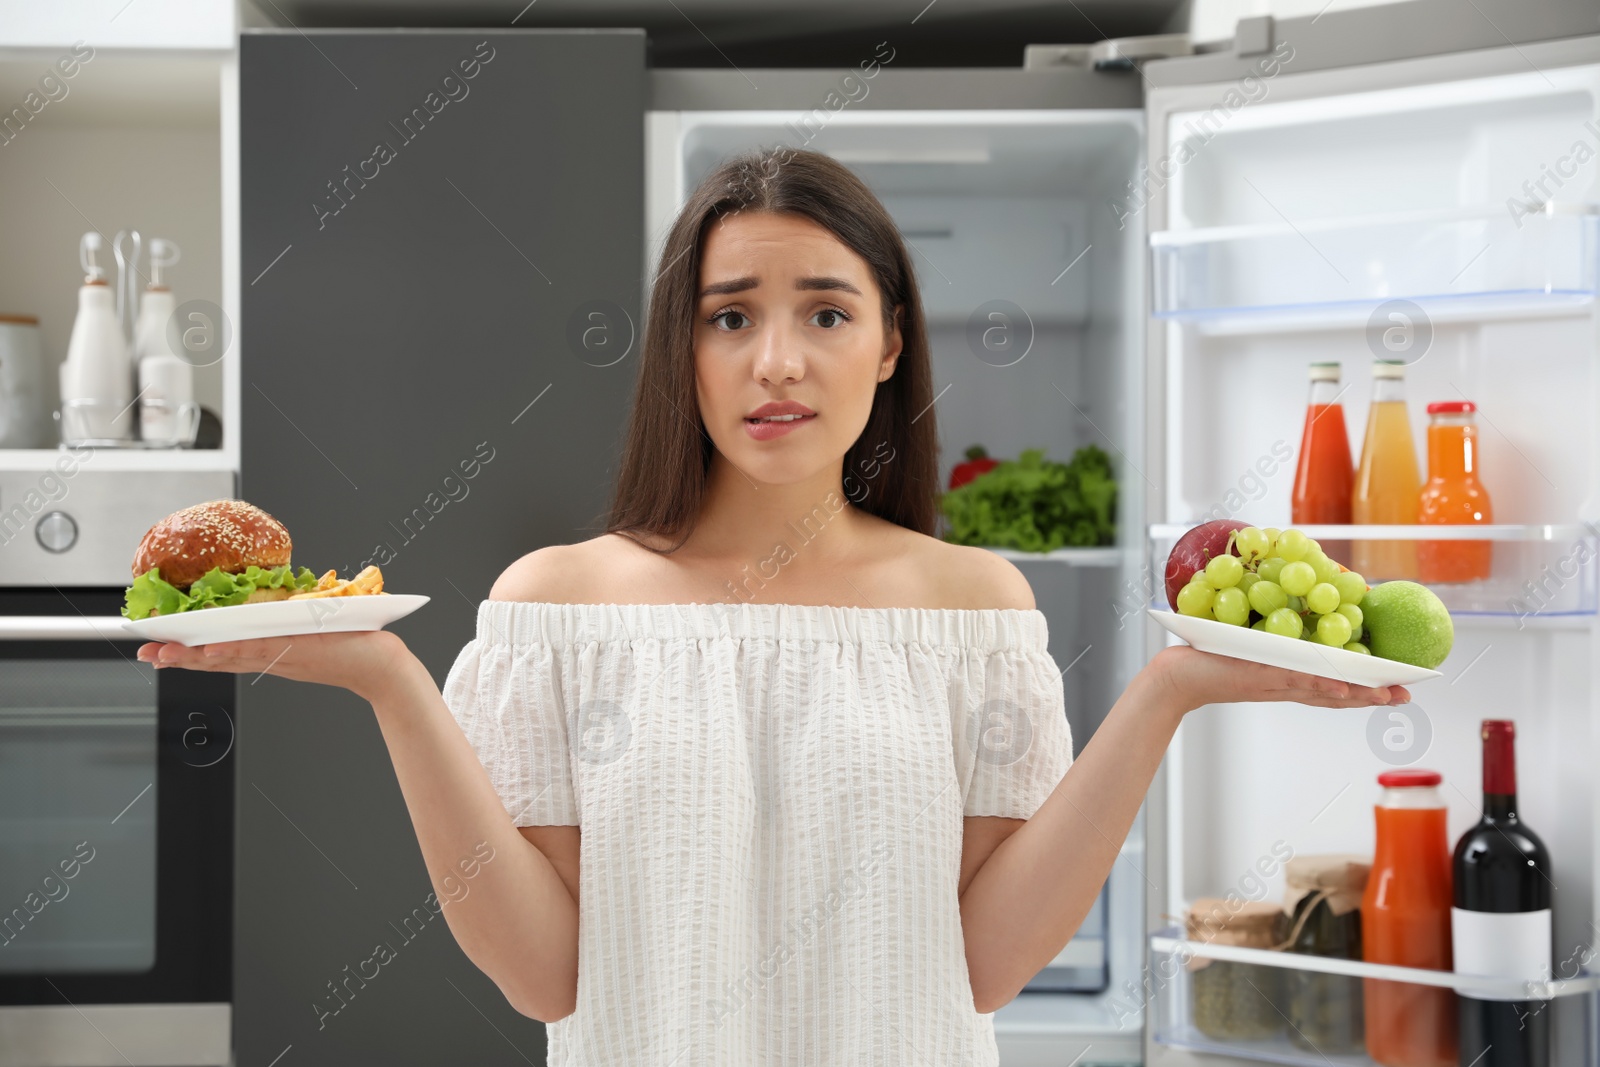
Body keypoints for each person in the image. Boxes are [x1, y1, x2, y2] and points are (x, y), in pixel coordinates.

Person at [136, 146, 1408, 1066]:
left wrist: (1169, 689)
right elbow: (544, 977)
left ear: (892, 342)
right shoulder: (557, 603)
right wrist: (390, 682)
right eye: (728, 316)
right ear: (677, 351)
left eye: (825, 312)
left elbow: (985, 969)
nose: (777, 361)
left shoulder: (974, 607)